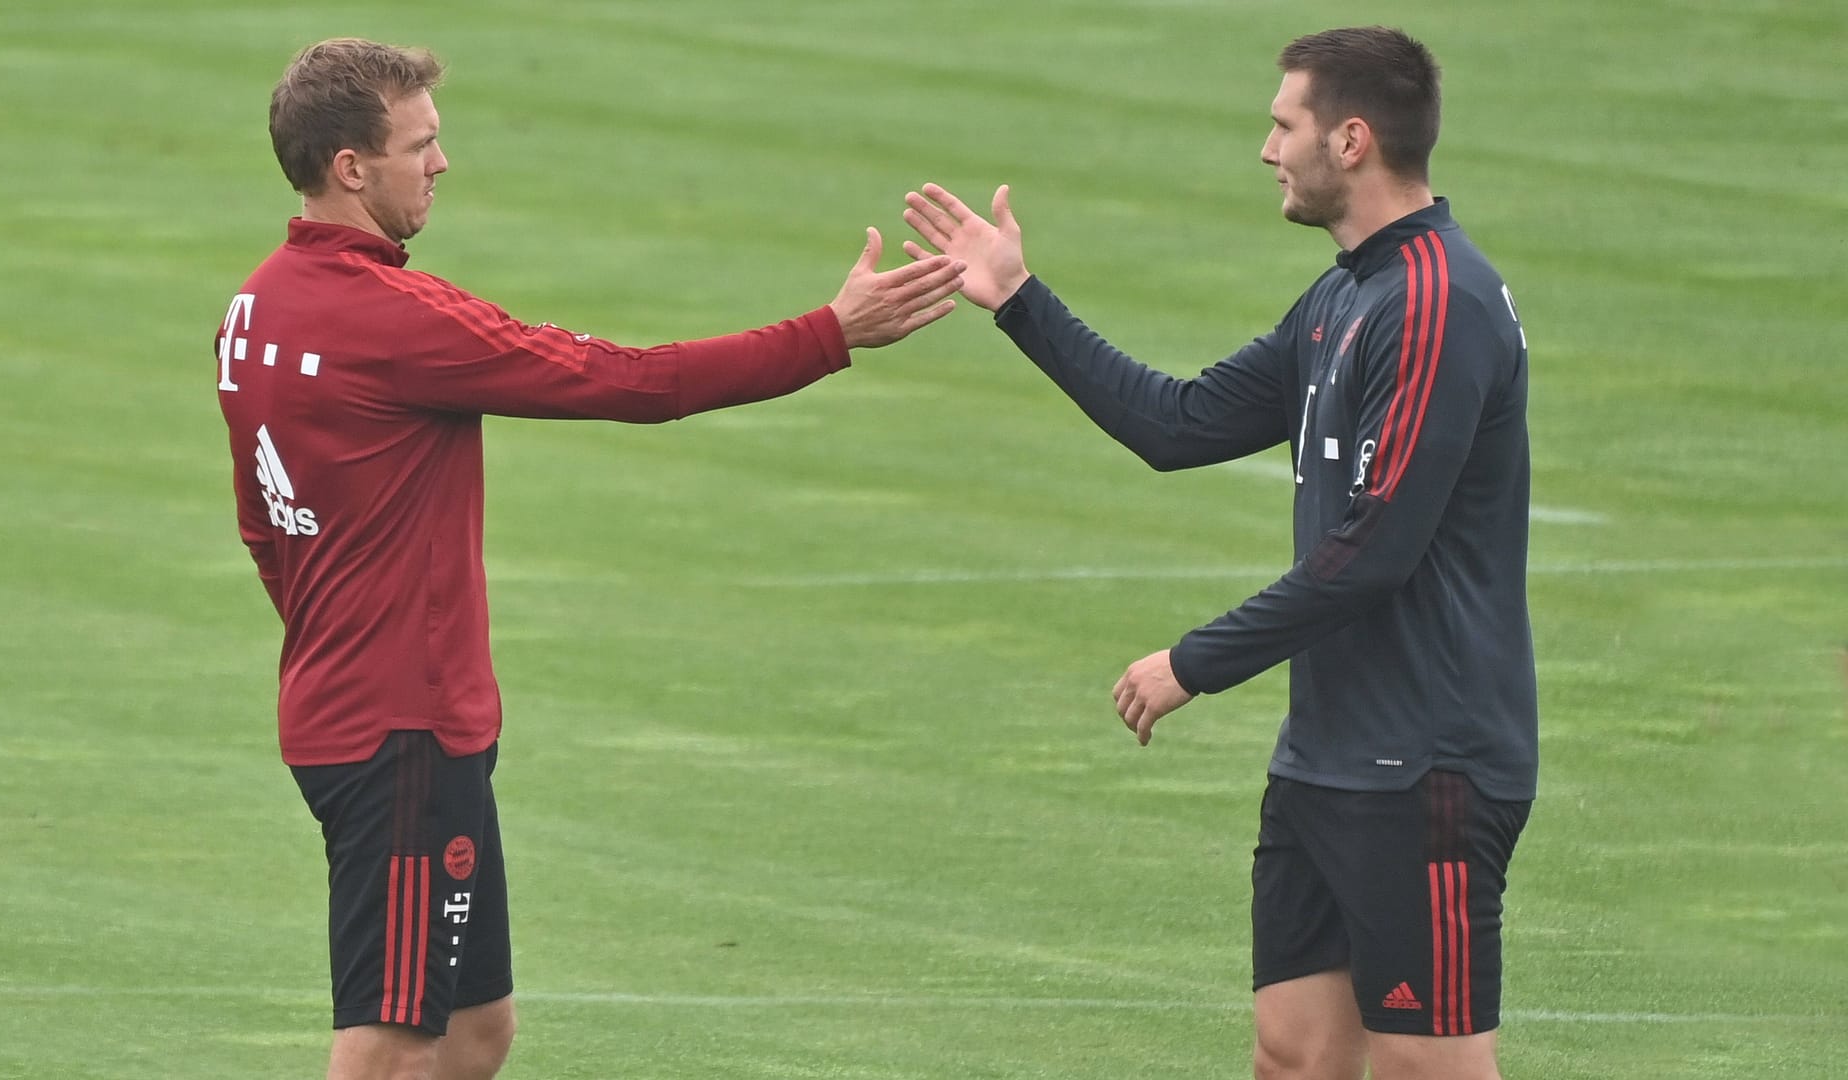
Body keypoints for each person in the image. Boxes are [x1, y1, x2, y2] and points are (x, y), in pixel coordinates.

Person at [215, 37, 963, 1080]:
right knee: (387, 1043)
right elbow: (626, 381)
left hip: (367, 711)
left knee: (476, 1034)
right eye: (420, 144)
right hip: (401, 734)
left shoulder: (255, 306)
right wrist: (830, 333)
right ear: (351, 165)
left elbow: (263, 524)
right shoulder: (391, 318)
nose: (442, 163)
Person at [902, 25, 1535, 1080]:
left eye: (1282, 124)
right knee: (1291, 1056)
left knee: (1430, 1067)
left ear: (1351, 140)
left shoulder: (1437, 302)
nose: (1265, 148)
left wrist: (1194, 663)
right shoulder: (1346, 295)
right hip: (1327, 758)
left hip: (1426, 763)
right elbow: (1180, 424)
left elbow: (1375, 548)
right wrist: (1017, 299)